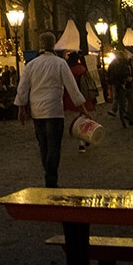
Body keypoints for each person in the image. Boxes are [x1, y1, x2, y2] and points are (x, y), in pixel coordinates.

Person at [15, 31, 87, 188]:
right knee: (54, 145)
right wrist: (81, 105)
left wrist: (21, 108)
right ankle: (51, 177)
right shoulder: (60, 64)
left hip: (37, 110)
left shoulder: (31, 65)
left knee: (43, 145)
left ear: (40, 45)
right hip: (54, 110)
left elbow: (23, 88)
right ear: (53, 44)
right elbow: (72, 87)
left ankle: (48, 173)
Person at [64, 52, 96, 152]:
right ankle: (83, 140)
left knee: (77, 120)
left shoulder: (68, 70)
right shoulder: (81, 68)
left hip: (71, 97)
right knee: (84, 118)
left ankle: (82, 141)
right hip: (84, 96)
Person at [107, 52, 133, 128]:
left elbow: (132, 73)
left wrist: (132, 78)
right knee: (123, 105)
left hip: (128, 86)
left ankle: (130, 119)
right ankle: (125, 121)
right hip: (121, 86)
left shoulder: (127, 64)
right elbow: (113, 76)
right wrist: (120, 82)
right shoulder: (115, 65)